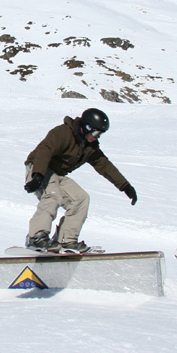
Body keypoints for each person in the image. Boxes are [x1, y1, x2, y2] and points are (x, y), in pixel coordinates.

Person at [23, 108, 137, 253]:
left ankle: (66, 240)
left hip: (58, 174)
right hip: (39, 166)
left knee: (81, 198)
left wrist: (125, 186)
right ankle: (36, 237)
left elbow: (104, 165)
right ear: (86, 127)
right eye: (96, 133)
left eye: (100, 134)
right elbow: (45, 150)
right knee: (53, 196)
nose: (97, 137)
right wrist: (38, 174)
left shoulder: (90, 146)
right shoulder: (63, 133)